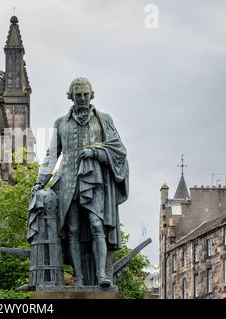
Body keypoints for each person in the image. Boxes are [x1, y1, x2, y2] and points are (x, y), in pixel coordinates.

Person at [32, 77, 129, 287]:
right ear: (71, 96)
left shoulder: (103, 119)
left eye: (86, 94)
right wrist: (40, 182)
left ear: (91, 94)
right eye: (78, 95)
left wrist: (95, 152)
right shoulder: (60, 123)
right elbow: (51, 155)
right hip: (67, 182)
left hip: (94, 182)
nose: (82, 98)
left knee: (97, 225)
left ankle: (102, 275)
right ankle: (79, 277)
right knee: (72, 230)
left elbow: (118, 150)